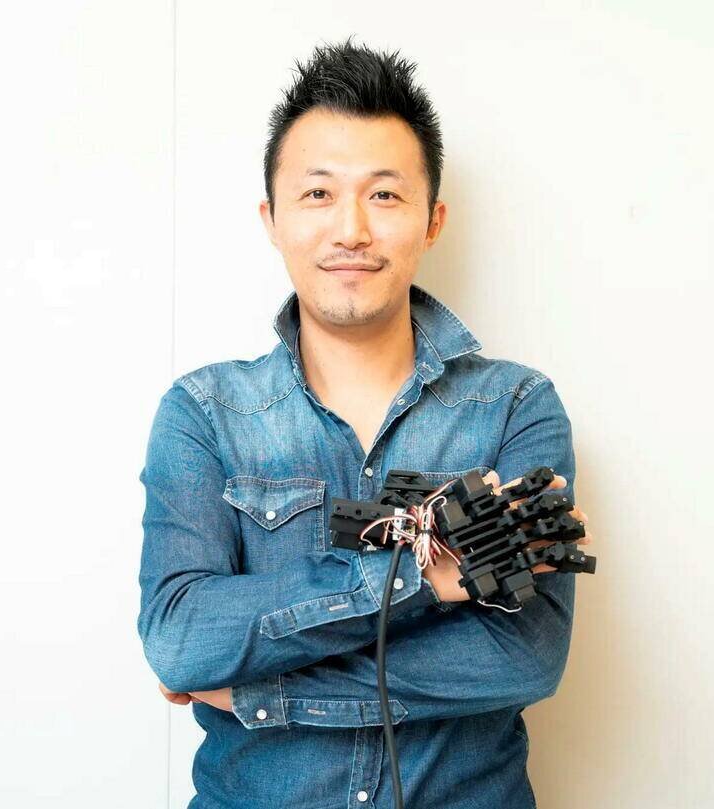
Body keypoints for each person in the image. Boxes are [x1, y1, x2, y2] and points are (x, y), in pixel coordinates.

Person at [137, 35, 593, 809]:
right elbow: (181, 640)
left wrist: (260, 691)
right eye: (318, 193)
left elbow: (522, 656)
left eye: (384, 195)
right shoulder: (204, 413)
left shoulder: (515, 406)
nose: (350, 228)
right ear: (272, 218)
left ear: (431, 219)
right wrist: (423, 572)